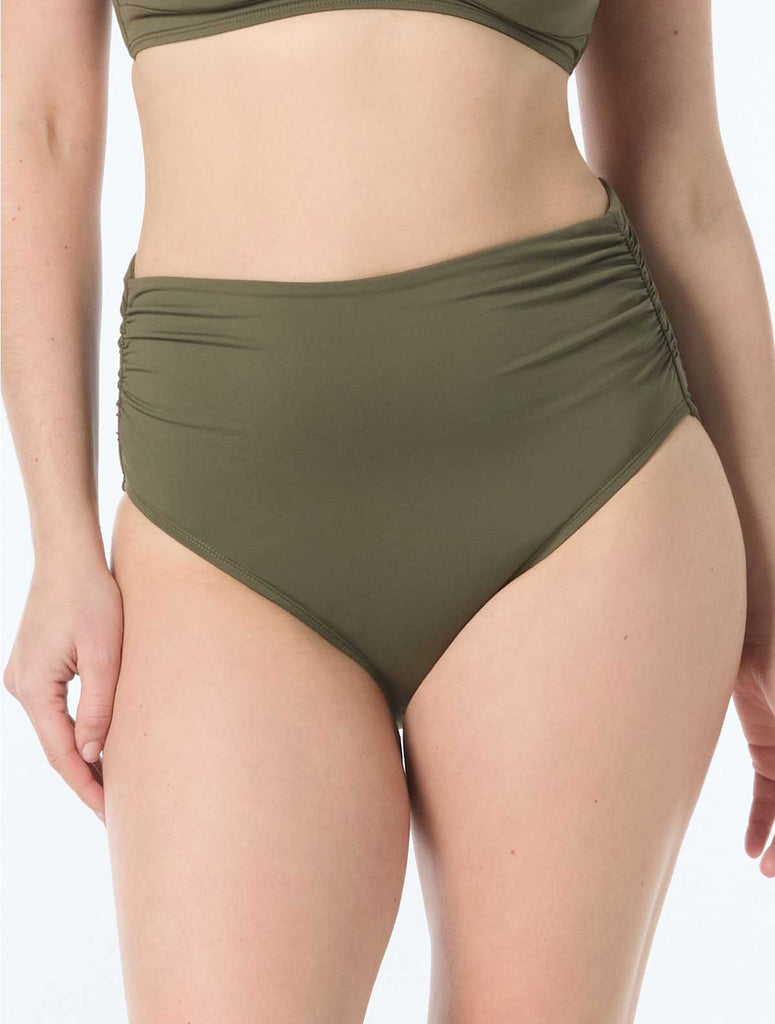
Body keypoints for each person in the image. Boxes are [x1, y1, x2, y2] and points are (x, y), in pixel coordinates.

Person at [3, 0, 773, 1020]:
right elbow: (39, 128)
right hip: (213, 532)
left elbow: (680, 172)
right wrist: (58, 539)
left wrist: (769, 605)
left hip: (583, 488)